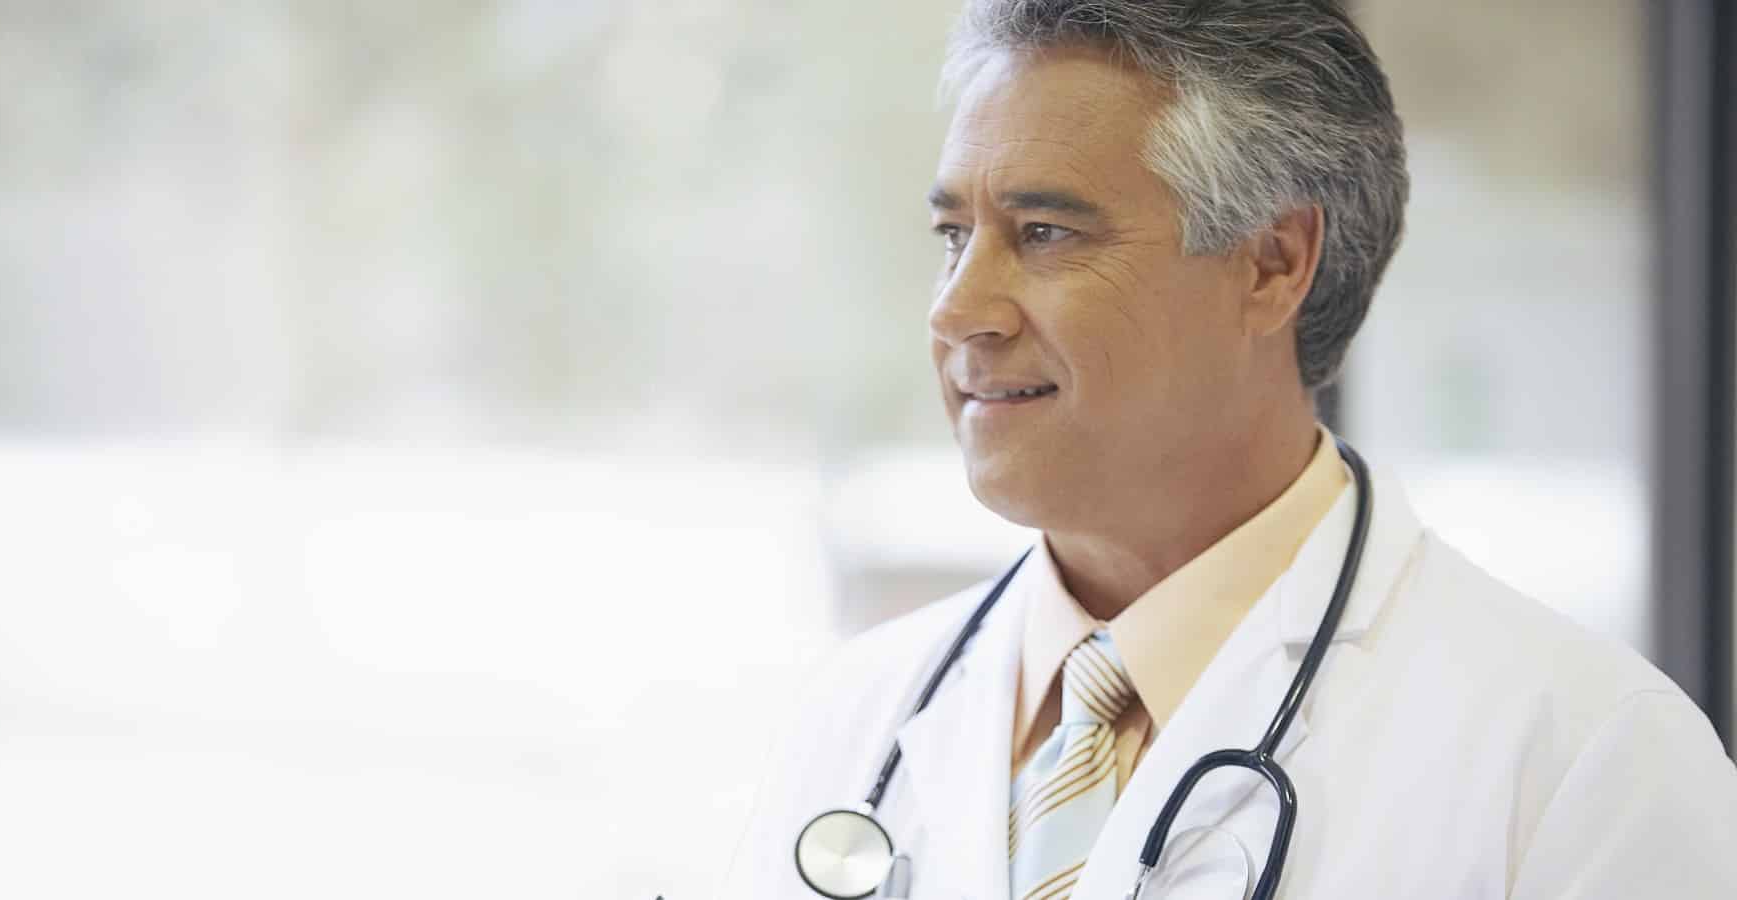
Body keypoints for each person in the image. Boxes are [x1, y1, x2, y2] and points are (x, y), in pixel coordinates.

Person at [724, 1, 1737, 897]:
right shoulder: (854, 722)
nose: (958, 311)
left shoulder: (1583, 764)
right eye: (955, 237)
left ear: (1273, 263)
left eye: (1042, 233)